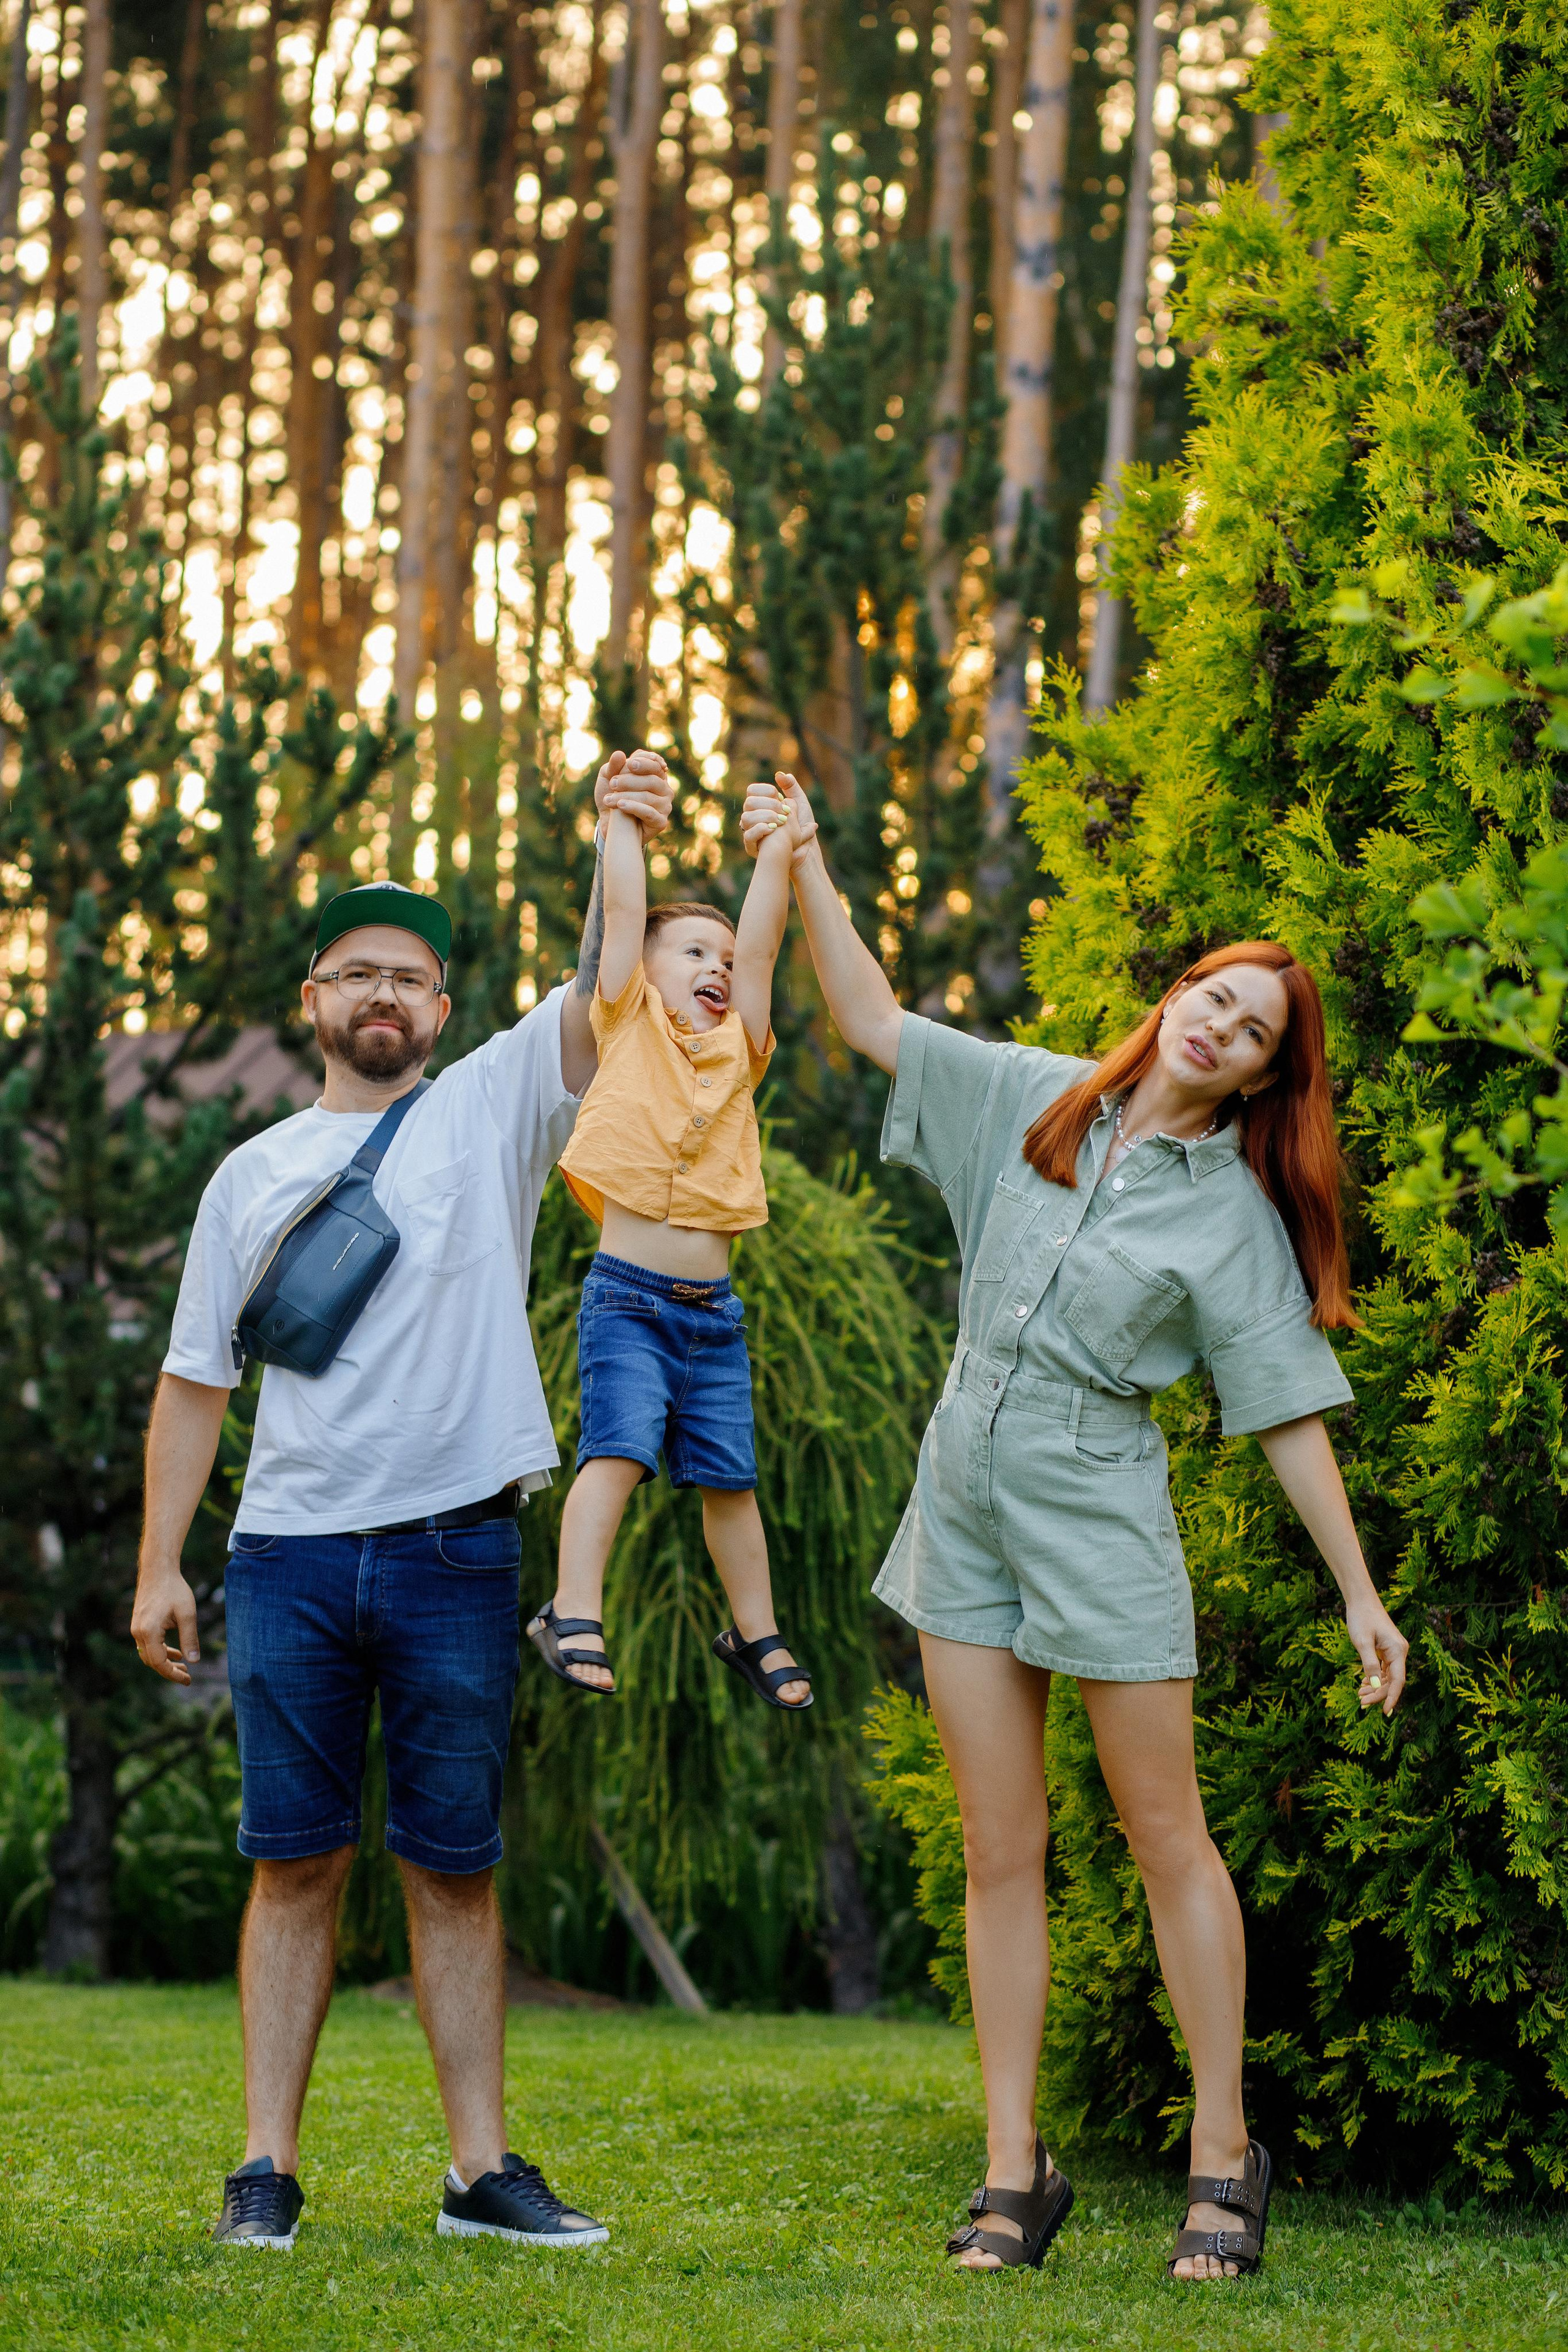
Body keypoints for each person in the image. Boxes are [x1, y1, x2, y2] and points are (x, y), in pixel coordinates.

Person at [742, 773, 1409, 2282]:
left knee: (1163, 1835)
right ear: (1174, 1000)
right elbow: (866, 1020)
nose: (1218, 1031)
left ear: (1255, 1082)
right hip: (961, 1487)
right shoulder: (1031, 1098)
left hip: (1097, 1499)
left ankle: (1222, 2154)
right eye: (1212, 1000)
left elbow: (1282, 1411)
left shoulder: (1228, 1215)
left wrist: (1359, 1595)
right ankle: (1010, 2171)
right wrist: (812, 856)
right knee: (999, 1847)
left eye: (1250, 1034)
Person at [129, 749, 674, 2253]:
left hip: (454, 1549)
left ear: (439, 1011)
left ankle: (477, 2175)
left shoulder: (491, 1105)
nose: (386, 996)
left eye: (412, 979)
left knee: (454, 1866)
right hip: (290, 1552)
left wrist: (615, 836)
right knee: (291, 1862)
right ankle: (266, 2170)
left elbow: (605, 984)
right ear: (314, 999)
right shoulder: (245, 1175)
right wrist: (158, 1564)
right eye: (358, 972)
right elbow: (194, 1382)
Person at [526, 785, 810, 1710]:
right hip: (630, 1303)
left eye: (723, 959)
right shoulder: (626, 1019)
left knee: (730, 1479)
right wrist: (623, 826)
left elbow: (765, 942)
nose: (718, 966)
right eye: (693, 951)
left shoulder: (743, 1047)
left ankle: (755, 1630)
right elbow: (618, 913)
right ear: (645, 972)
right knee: (617, 1454)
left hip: (713, 1321)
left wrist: (778, 848)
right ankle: (571, 1611)